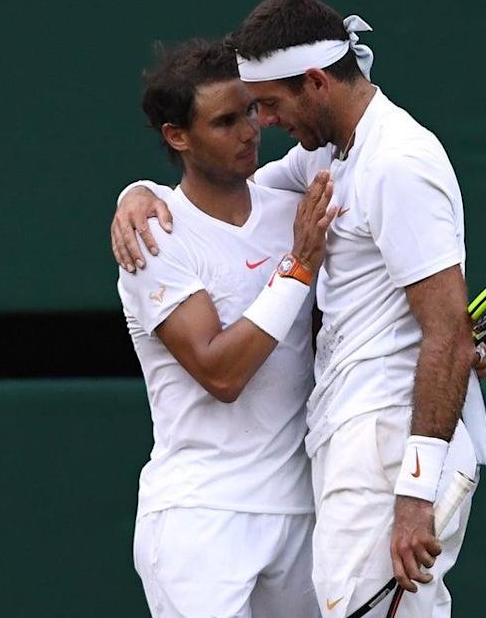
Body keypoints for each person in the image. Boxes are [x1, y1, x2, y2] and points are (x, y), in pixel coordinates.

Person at [114, 0, 486, 616]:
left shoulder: (390, 162)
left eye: (264, 105)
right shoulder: (323, 164)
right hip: (277, 480)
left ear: (317, 83)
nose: (258, 127)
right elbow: (222, 220)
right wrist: (136, 193)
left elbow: (444, 331)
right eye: (236, 115)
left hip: (372, 454)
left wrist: (414, 489)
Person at [119, 37, 338, 618]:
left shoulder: (287, 200)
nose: (249, 131)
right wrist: (296, 269)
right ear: (177, 136)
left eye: (249, 111)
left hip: (301, 513)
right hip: (200, 520)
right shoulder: (155, 238)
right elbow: (221, 372)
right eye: (224, 121)